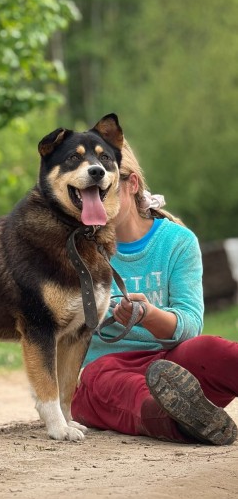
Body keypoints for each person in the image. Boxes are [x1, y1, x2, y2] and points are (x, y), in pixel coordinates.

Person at [71, 139, 238, 445]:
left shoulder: (178, 242)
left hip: (173, 362)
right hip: (105, 369)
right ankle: (184, 422)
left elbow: (190, 325)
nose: (96, 205)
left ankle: (186, 412)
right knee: (112, 382)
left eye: (106, 190)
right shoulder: (76, 250)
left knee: (211, 349)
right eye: (86, 196)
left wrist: (147, 315)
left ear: (132, 184)